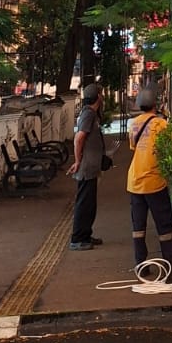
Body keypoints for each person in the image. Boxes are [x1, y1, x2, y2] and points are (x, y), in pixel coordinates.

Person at [127, 86, 172, 273]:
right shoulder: (161, 124)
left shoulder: (133, 124)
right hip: (154, 182)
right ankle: (170, 262)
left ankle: (141, 264)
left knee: (138, 227)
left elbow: (134, 147)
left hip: (134, 181)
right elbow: (168, 148)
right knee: (164, 225)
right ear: (156, 104)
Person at [67, 82, 107, 250]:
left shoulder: (92, 114)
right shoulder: (88, 114)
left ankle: (85, 235)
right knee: (84, 203)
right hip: (86, 167)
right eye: (102, 94)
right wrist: (77, 161)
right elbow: (79, 138)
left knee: (89, 203)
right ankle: (77, 239)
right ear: (98, 97)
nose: (103, 97)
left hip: (91, 167)